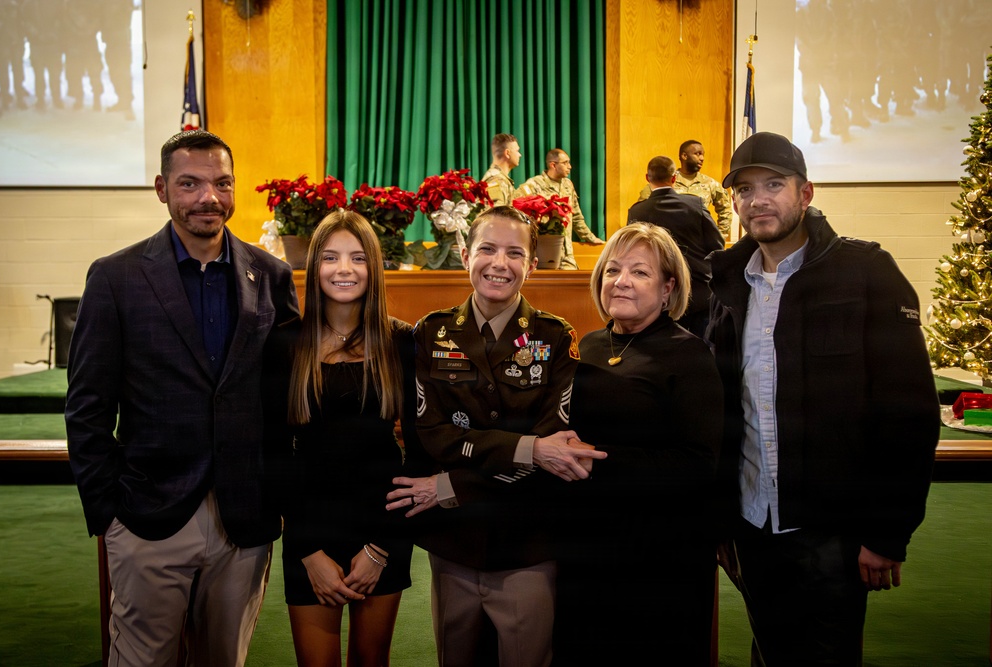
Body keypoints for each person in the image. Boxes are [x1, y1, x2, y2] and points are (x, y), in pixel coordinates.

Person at [65, 129, 301, 665]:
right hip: (148, 515)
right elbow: (87, 406)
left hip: (243, 517)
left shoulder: (271, 275)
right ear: (161, 188)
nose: (208, 197)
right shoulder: (115, 277)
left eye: (222, 183)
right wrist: (109, 513)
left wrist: (277, 496)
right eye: (189, 183)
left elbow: (284, 399)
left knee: (225, 658)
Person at [707, 131, 940, 665]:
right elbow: (724, 411)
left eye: (773, 185)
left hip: (832, 530)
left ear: (806, 193)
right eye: (744, 190)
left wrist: (887, 533)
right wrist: (722, 519)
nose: (757, 200)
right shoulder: (728, 282)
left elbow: (909, 414)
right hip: (752, 523)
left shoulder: (866, 272)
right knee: (770, 652)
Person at [385, 205, 606, 667]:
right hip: (455, 543)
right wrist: (528, 449)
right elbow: (432, 435)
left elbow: (553, 448)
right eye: (487, 249)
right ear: (466, 255)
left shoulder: (554, 337)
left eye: (514, 253)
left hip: (527, 542)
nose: (499, 263)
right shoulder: (432, 332)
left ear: (533, 264)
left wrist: (450, 485)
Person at [554, 223, 723, 666]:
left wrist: (596, 462)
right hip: (587, 545)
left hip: (660, 554)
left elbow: (698, 464)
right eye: (612, 270)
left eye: (639, 272)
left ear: (668, 288)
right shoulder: (590, 345)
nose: (621, 281)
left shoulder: (690, 355)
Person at [277, 209, 417, 667]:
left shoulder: (401, 342)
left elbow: (418, 456)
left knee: (370, 660)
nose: (344, 269)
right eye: (331, 257)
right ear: (313, 265)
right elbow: (273, 454)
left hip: (382, 527)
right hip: (309, 529)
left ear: (373, 268)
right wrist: (306, 550)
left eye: (358, 258)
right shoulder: (285, 343)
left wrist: (381, 549)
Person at [628, 154, 724, 338]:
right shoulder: (695, 204)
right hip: (698, 294)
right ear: (674, 178)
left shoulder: (637, 211)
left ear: (647, 178)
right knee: (701, 348)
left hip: (659, 297)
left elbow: (632, 255)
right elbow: (716, 244)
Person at [515, 148, 604, 269]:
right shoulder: (534, 185)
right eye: (565, 163)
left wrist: (591, 238)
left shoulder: (568, 185)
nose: (570, 166)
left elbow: (576, 217)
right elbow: (520, 216)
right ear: (553, 165)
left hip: (567, 256)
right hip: (543, 255)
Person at [637, 140, 733, 239]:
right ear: (684, 156)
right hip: (667, 241)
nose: (702, 158)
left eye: (703, 155)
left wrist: (719, 237)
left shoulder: (710, 184)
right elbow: (642, 211)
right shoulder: (667, 181)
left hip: (697, 243)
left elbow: (725, 210)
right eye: (698, 154)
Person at [480, 133, 522, 207]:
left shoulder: (500, 179)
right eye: (517, 151)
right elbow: (496, 212)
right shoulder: (497, 181)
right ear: (507, 153)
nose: (520, 155)